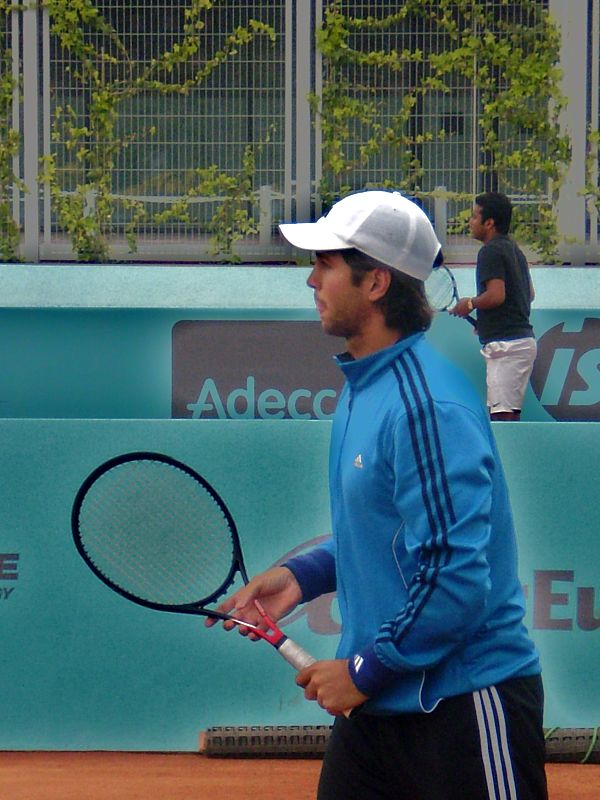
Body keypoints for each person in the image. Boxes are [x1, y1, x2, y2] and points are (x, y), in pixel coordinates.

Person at [207, 190, 547, 800]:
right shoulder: (367, 388)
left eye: (326, 264)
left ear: (375, 283)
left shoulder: (426, 406)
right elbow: (388, 534)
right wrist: (302, 576)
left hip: (464, 706)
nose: (312, 279)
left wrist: (364, 671)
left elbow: (454, 579)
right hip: (378, 708)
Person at [450, 191, 537, 421]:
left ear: (489, 223)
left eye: (474, 216)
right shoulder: (514, 249)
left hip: (507, 347)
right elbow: (529, 294)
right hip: (518, 343)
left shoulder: (489, 251)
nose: (470, 222)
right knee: (507, 416)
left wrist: (469, 303)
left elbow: (496, 296)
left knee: (502, 418)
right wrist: (490, 322)